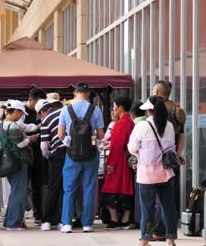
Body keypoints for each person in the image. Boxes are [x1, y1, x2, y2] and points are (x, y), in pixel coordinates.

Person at [127, 96, 177, 246]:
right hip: (166, 173)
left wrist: (141, 153)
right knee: (168, 208)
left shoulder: (142, 125)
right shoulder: (169, 126)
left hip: (147, 175)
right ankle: (170, 242)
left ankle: (145, 243)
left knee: (147, 210)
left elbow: (131, 147)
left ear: (149, 110)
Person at [58, 82, 105, 233]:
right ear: (89, 94)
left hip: (72, 155)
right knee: (89, 188)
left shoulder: (66, 109)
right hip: (91, 155)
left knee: (69, 189)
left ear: (74, 93)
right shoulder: (95, 110)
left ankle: (66, 223)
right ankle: (87, 224)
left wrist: (68, 139)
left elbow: (60, 134)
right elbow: (101, 135)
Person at [152, 81, 186, 240]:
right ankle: (170, 229)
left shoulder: (153, 108)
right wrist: (178, 155)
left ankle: (158, 231)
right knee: (170, 195)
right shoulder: (177, 111)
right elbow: (182, 136)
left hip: (154, 158)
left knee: (156, 198)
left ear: (158, 92)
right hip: (171, 158)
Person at [0, 100, 38, 230]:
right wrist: (29, 139)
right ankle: (13, 223)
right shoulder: (14, 127)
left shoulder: (3, 125)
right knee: (18, 193)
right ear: (15, 111)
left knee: (15, 192)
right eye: (21, 113)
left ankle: (10, 221)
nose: (21, 116)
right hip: (18, 162)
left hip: (9, 163)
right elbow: (19, 145)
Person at [102, 96, 135, 230]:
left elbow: (116, 145)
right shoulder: (130, 122)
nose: (113, 109)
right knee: (126, 188)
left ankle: (114, 219)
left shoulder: (121, 124)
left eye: (115, 106)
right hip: (127, 159)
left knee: (109, 190)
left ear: (121, 107)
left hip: (119, 161)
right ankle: (126, 219)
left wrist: (110, 163)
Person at [36, 97, 65, 231]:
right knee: (67, 189)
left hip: (57, 155)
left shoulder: (47, 120)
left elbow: (43, 146)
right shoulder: (67, 112)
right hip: (72, 154)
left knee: (54, 188)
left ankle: (47, 220)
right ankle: (62, 220)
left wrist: (47, 156)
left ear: (42, 112)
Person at [19, 88, 47, 224]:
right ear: (31, 100)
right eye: (38, 102)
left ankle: (38, 214)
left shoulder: (40, 111)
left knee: (37, 184)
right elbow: (19, 127)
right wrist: (35, 129)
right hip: (25, 152)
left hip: (38, 153)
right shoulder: (21, 111)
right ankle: (20, 215)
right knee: (23, 185)